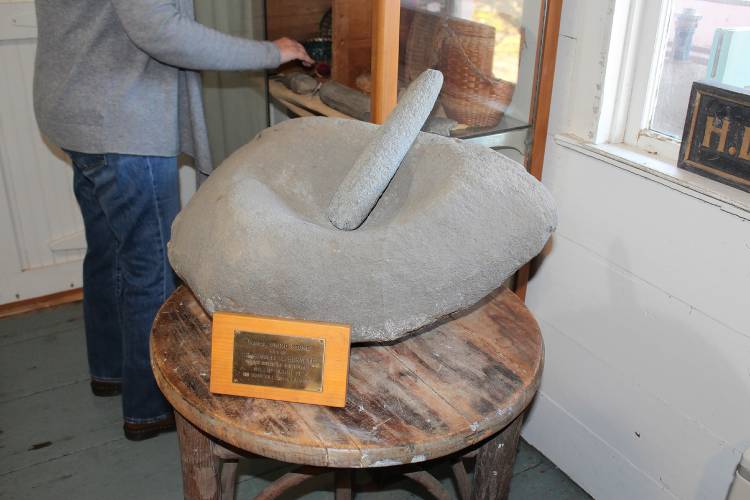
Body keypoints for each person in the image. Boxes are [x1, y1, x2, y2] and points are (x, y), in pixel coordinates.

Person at [33, 0, 313, 441]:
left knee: (109, 252)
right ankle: (149, 407)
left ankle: (110, 371)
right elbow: (163, 32)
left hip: (76, 108)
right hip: (121, 121)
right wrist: (269, 52)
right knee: (148, 268)